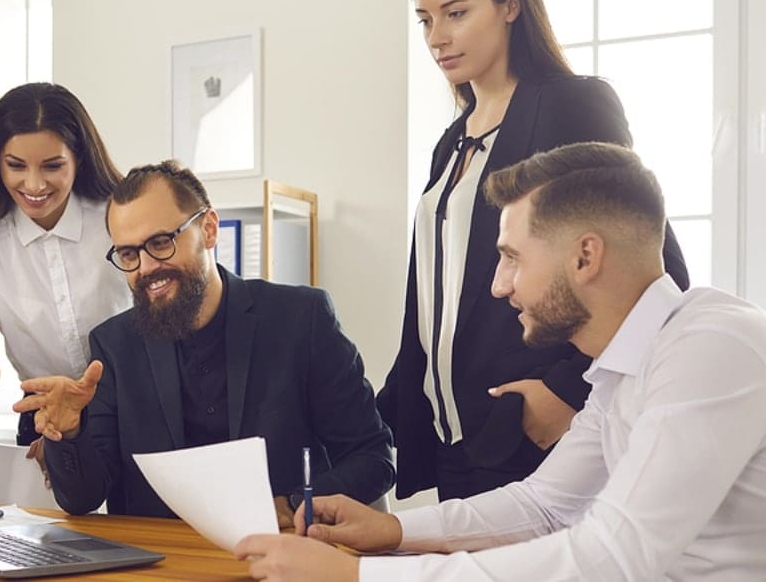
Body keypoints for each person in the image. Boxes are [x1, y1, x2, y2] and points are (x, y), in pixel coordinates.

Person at [234, 142, 766, 580]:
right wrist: (395, 533)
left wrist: (354, 577)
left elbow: (613, 555)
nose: (498, 285)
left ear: (585, 257)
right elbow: (545, 506)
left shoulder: (712, 345)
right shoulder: (621, 366)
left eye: (512, 257)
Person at [378, 0, 689, 502]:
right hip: (456, 436)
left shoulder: (570, 105)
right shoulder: (450, 143)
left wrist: (567, 390)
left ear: (511, 6)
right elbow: (437, 299)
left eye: (456, 13)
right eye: (425, 20)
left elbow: (654, 266)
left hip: (534, 428)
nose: (437, 38)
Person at [13, 161, 395, 526]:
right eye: (128, 254)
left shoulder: (300, 319)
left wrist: (293, 504)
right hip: (163, 567)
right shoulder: (114, 346)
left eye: (161, 243)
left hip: (282, 552)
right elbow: (82, 499)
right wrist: (70, 432)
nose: (145, 268)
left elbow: (373, 459)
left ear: (208, 229)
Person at [0, 82, 129, 489]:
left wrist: (79, 424)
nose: (33, 185)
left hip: (131, 407)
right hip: (44, 420)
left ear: (78, 159)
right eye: (16, 165)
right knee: (51, 542)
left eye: (52, 166)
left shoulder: (116, 216)